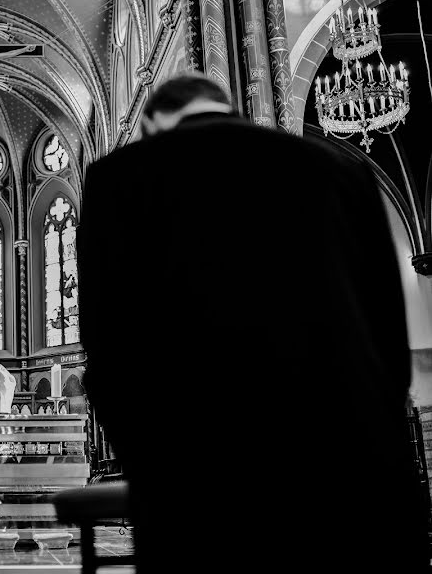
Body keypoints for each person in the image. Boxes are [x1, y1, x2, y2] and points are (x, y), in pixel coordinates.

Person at [78, 73, 429, 573]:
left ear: (152, 123)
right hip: (356, 471)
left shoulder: (118, 178)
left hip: (202, 484)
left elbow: (107, 348)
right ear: (228, 107)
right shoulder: (339, 169)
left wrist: (152, 466)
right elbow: (388, 337)